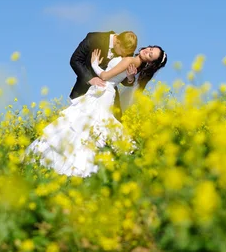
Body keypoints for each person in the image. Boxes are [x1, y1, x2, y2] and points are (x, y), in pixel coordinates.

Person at [24, 45, 168, 178]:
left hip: (103, 91)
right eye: (150, 49)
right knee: (87, 127)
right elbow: (126, 79)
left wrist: (94, 64)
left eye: (151, 55)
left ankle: (70, 164)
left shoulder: (130, 60)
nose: (147, 51)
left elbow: (105, 76)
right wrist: (130, 78)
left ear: (150, 62)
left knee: (81, 125)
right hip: (105, 92)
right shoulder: (135, 65)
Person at [69, 30, 138, 120]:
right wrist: (90, 79)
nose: (125, 56)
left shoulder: (127, 50)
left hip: (108, 99)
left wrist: (130, 78)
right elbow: (75, 60)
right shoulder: (94, 38)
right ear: (117, 42)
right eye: (123, 52)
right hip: (84, 92)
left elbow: (121, 78)